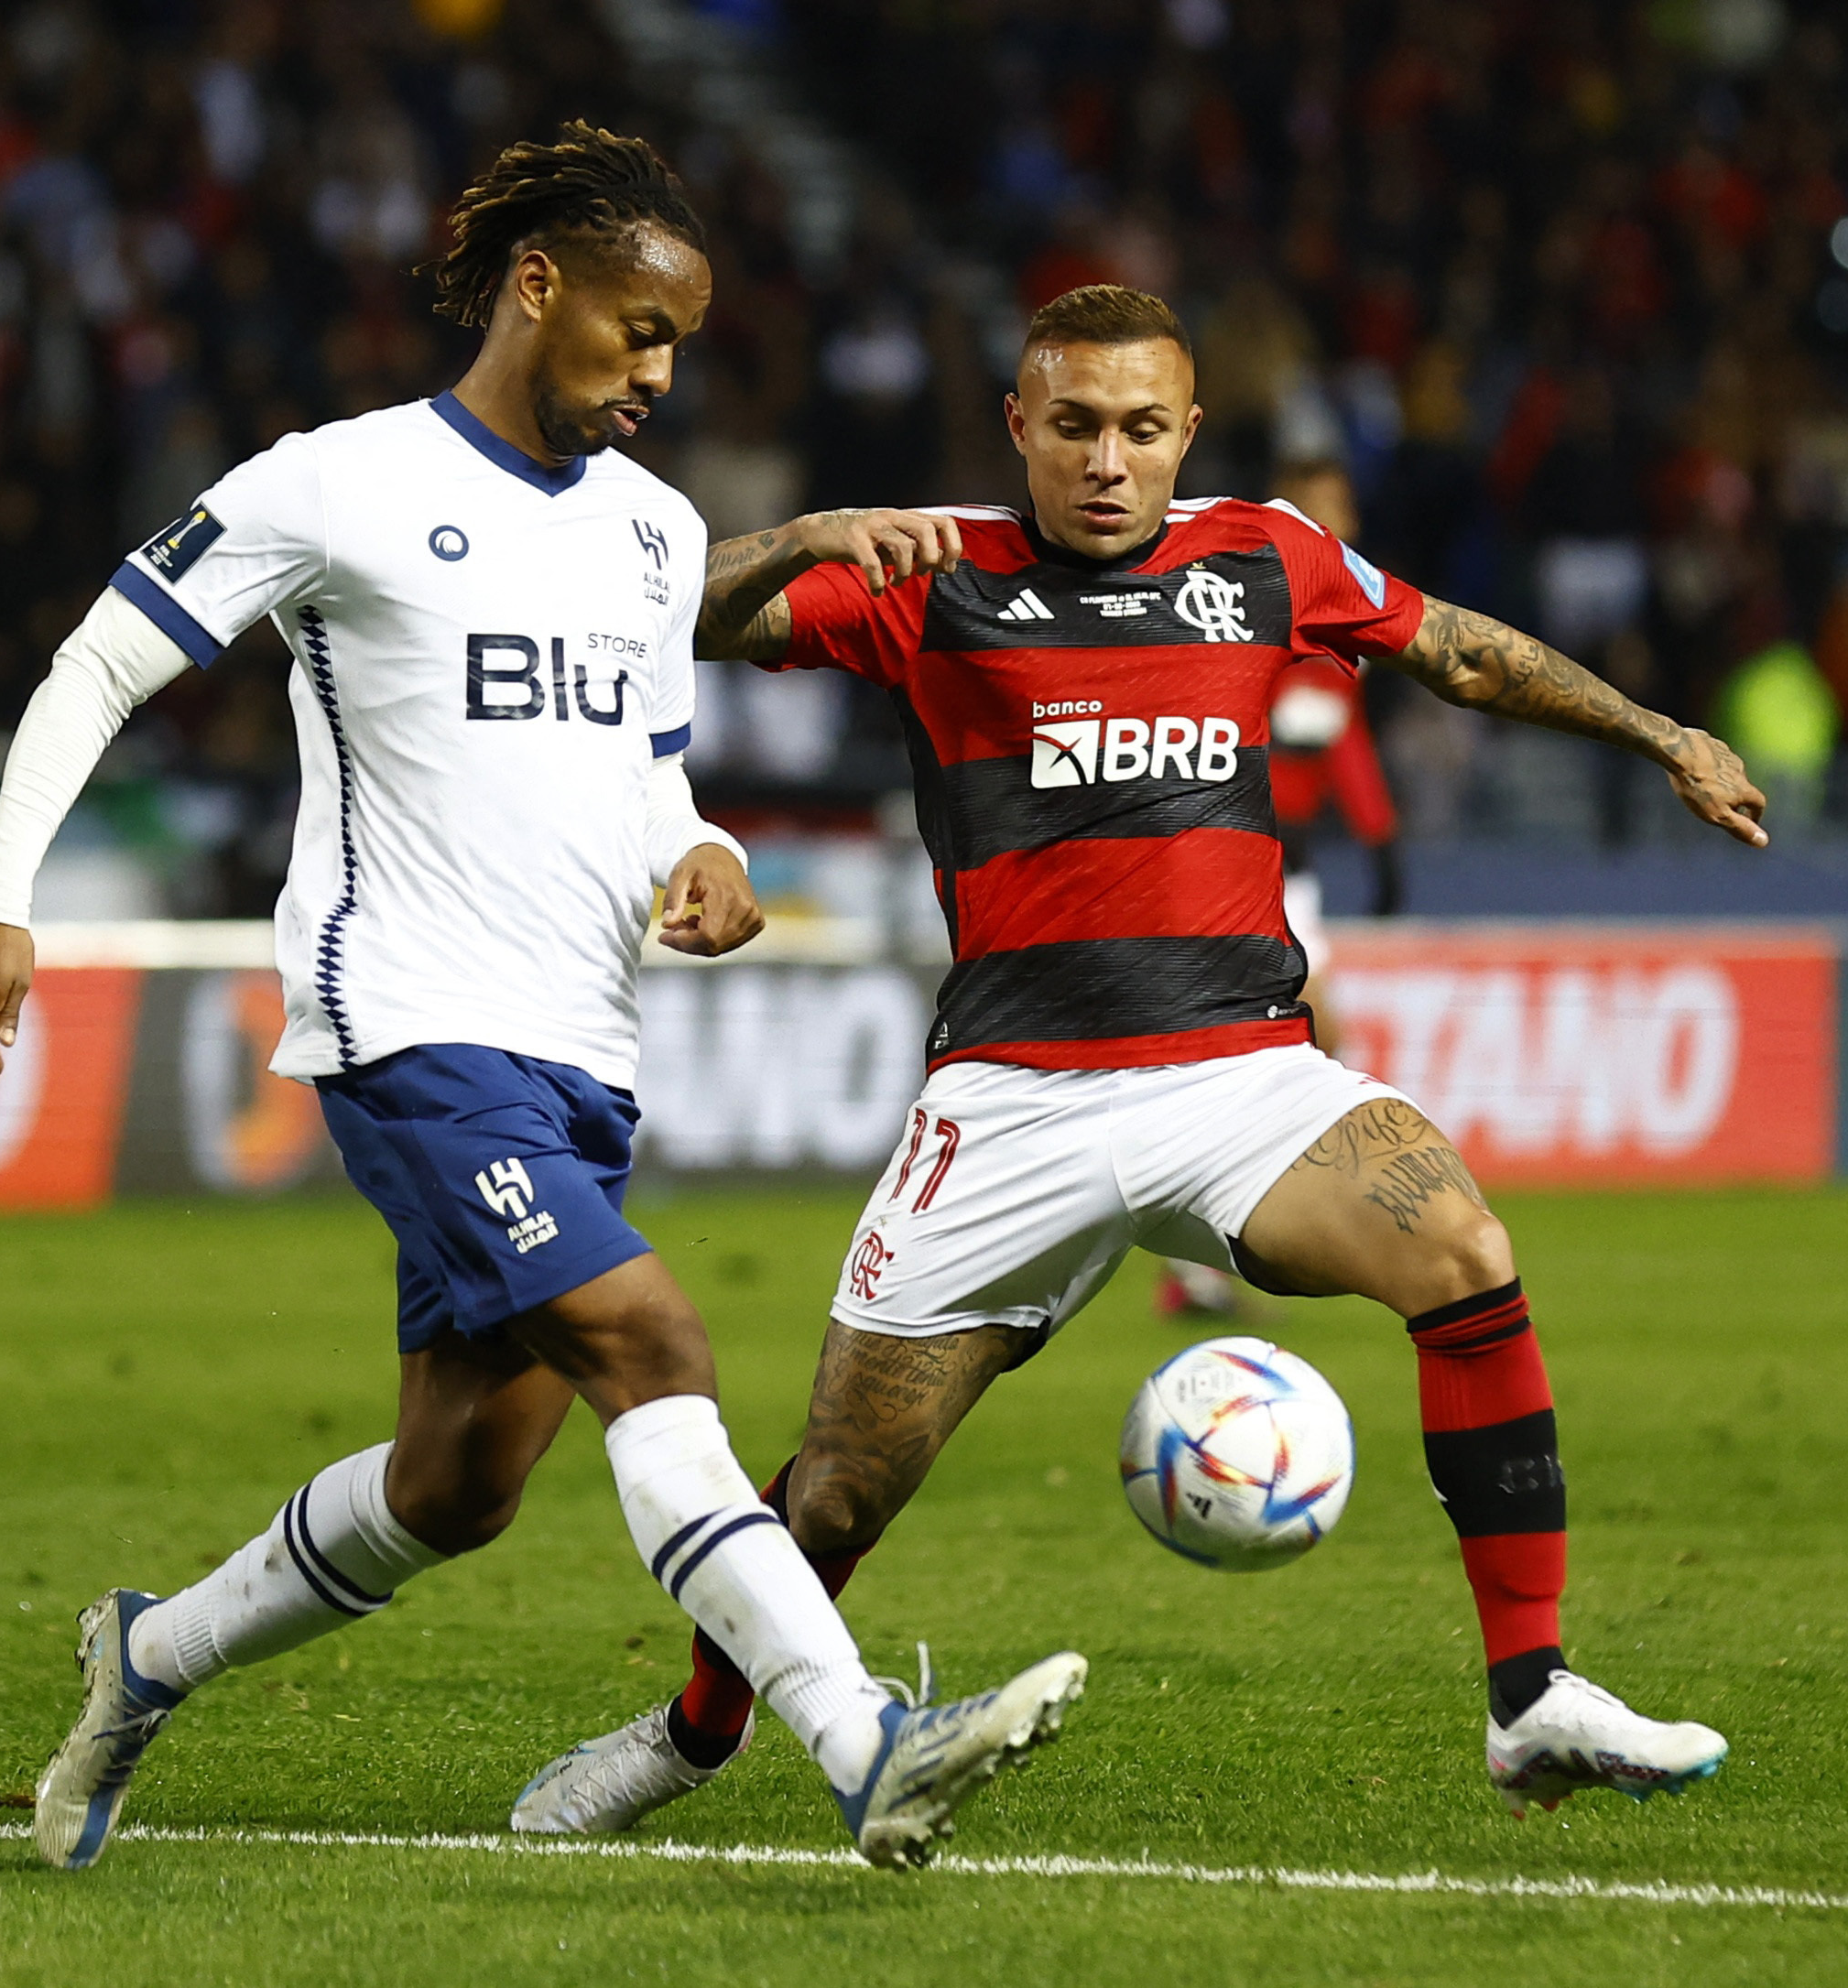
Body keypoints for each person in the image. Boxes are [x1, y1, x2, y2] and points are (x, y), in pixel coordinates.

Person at [0, 125, 1084, 1875]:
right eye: (637, 329)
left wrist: (706, 852)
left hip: (580, 1048)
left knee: (454, 1486)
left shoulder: (654, 533)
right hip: (411, 1019)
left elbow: (644, 767)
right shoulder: (337, 481)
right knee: (656, 1347)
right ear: (538, 288)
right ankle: (864, 1741)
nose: (660, 373)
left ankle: (145, 1656)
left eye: (680, 341)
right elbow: (102, 658)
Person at [512, 286, 1763, 1835]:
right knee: (836, 1491)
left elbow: (1457, 652)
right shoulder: (934, 570)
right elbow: (654, 622)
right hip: (1012, 1105)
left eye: (1143, 430)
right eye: (1078, 427)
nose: (1109, 461)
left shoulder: (1263, 554)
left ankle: (1531, 1696)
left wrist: (1661, 735)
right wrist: (811, 534)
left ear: (1186, 435)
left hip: (1241, 1077)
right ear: (1021, 428)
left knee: (1463, 1247)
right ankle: (693, 1738)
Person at [1157, 456, 1405, 1322]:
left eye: (1344, 506)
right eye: (1324, 508)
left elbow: (1342, 739)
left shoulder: (1339, 617)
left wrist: (1380, 839)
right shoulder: (1245, 604)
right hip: (1237, 857)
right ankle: (1222, 1246)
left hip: (1289, 862)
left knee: (1310, 1041)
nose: (1339, 523)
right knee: (1299, 1036)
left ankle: (1218, 1252)